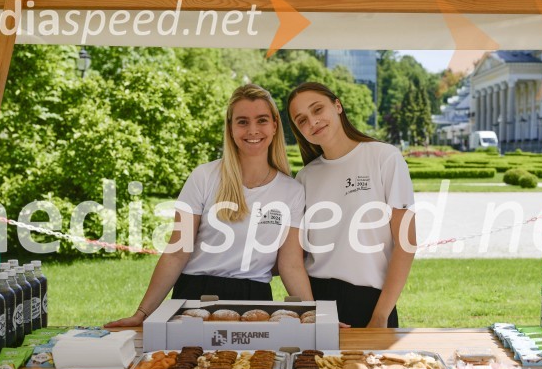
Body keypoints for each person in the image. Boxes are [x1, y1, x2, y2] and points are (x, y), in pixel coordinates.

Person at [106, 84, 312, 328]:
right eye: (242, 122)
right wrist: (142, 313)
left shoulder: (292, 191)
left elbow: (291, 265)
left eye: (262, 120)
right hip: (195, 296)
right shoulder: (204, 177)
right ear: (230, 128)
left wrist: (314, 314)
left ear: (275, 125)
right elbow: (176, 252)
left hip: (254, 301)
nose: (253, 130)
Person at [287, 82, 416, 328]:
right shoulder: (305, 177)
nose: (312, 122)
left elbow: (406, 244)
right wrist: (312, 312)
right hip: (317, 299)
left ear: (337, 106)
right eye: (301, 120)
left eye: (317, 110)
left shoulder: (384, 157)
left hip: (372, 303)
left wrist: (380, 316)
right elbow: (295, 258)